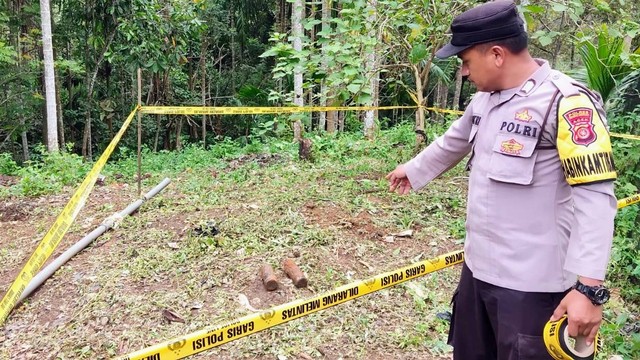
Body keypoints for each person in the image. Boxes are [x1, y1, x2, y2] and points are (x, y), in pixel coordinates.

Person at [385, 1, 618, 359]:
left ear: (496, 54)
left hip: (532, 289)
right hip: (478, 271)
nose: (462, 72)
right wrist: (413, 170)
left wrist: (589, 291)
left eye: (465, 62)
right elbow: (455, 140)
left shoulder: (567, 103)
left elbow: (595, 197)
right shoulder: (485, 99)